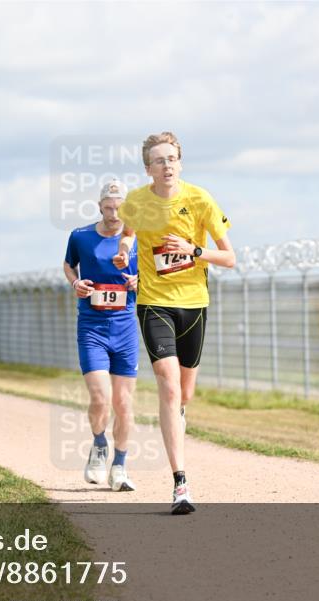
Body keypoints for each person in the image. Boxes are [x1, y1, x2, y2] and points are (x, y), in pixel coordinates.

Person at [113, 131, 236, 514]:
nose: (166, 166)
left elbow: (229, 258)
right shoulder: (135, 201)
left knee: (183, 396)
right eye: (159, 160)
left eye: (172, 159)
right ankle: (180, 482)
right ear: (148, 168)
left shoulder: (200, 199)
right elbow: (129, 235)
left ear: (180, 163)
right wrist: (122, 252)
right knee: (167, 386)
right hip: (153, 303)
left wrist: (194, 250)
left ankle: (176, 418)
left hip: (194, 305)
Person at [63, 179, 139, 492]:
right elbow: (69, 266)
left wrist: (139, 281)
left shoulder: (138, 237)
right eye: (108, 208)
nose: (113, 213)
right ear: (99, 207)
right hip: (92, 327)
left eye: (119, 208)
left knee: (123, 403)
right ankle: (98, 445)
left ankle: (119, 467)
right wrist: (75, 283)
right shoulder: (80, 236)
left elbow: (151, 273)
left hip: (125, 328)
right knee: (100, 397)